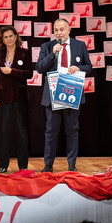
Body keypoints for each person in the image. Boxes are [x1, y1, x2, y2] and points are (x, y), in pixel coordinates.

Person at [35, 18, 92, 172]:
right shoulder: (47, 47)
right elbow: (39, 68)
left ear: (69, 30)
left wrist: (78, 68)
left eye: (62, 29)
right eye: (56, 30)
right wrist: (52, 54)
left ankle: (72, 164)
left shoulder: (80, 45)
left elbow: (89, 66)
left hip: (72, 91)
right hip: (53, 94)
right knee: (51, 131)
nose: (59, 32)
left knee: (72, 130)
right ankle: (48, 165)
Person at [0, 26, 33, 173]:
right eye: (5, 37)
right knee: (4, 132)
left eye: (10, 36)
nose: (8, 39)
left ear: (16, 36)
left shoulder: (24, 53)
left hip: (20, 97)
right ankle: (3, 165)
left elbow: (29, 74)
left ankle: (23, 166)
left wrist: (11, 71)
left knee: (22, 132)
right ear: (2, 39)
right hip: (3, 97)